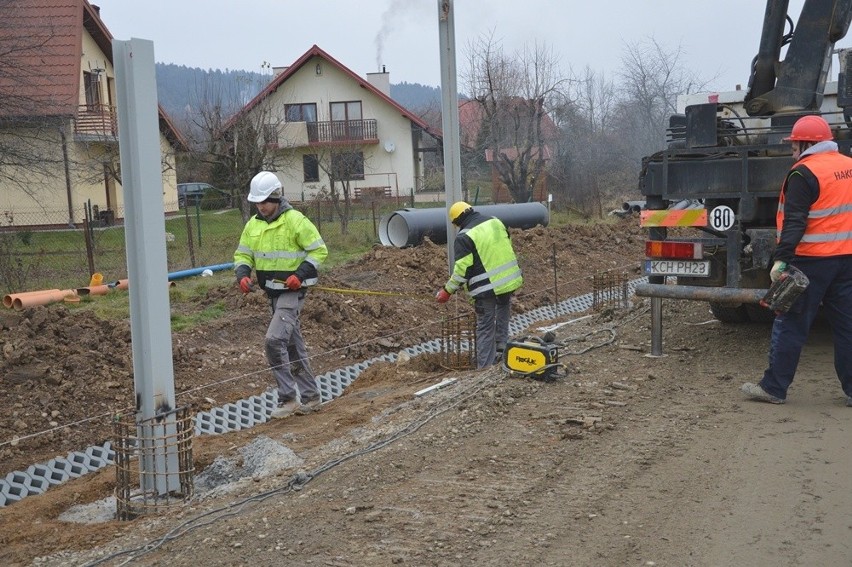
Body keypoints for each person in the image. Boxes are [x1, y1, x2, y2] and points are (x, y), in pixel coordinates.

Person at [741, 115, 852, 407]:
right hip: (847, 260)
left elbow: (795, 222)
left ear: (807, 143)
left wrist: (781, 260)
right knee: (847, 325)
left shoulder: (803, 173)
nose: (793, 151)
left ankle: (774, 388)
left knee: (789, 323)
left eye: (794, 145)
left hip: (811, 261)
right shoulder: (848, 166)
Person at [234, 171, 328, 419]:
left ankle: (287, 399)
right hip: (272, 295)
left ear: (276, 198)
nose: (261, 206)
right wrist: (243, 274)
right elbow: (242, 254)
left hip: (291, 293)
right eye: (257, 202)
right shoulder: (252, 225)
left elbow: (319, 251)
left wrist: (300, 273)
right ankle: (311, 397)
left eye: (264, 201)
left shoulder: (295, 221)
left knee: (274, 340)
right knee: (292, 346)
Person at [436, 201, 524, 369]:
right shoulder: (495, 221)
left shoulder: (464, 236)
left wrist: (447, 291)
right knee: (504, 307)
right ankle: (501, 348)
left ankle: (484, 367)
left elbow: (462, 271)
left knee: (485, 325)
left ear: (457, 222)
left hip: (486, 288)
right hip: (509, 279)